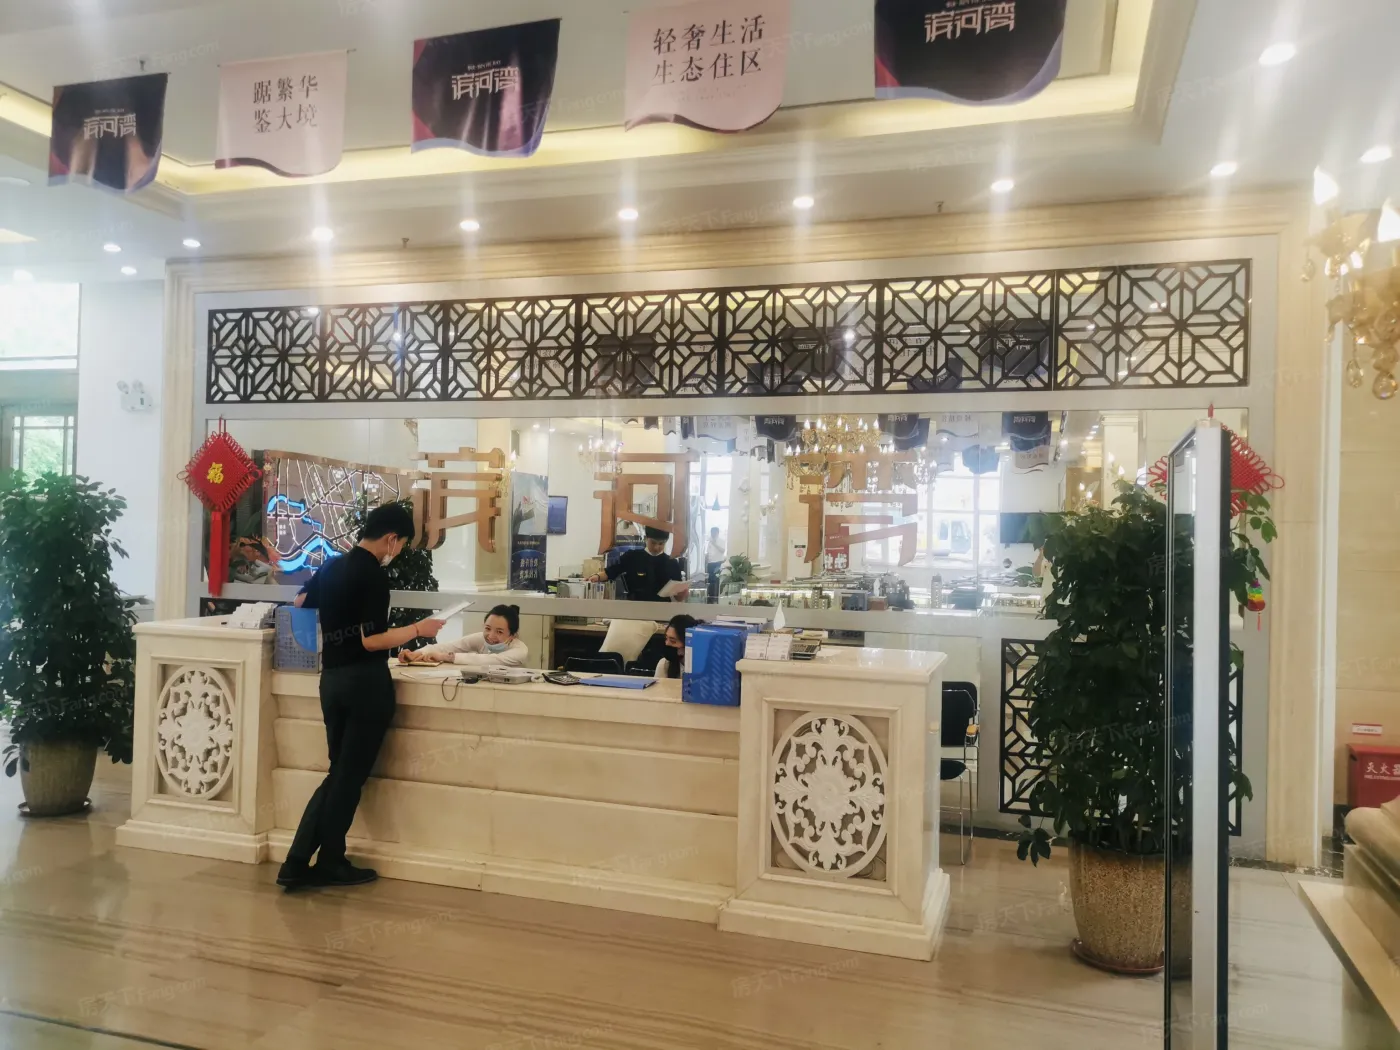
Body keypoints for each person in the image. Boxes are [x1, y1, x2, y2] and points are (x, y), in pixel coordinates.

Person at [276, 503, 447, 891]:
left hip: (332, 680)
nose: (398, 552)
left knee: (339, 773)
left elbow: (301, 603)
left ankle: (299, 862)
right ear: (391, 538)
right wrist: (418, 629)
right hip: (365, 686)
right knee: (347, 777)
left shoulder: (332, 565)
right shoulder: (372, 575)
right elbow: (371, 640)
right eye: (401, 545)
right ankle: (323, 861)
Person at [399, 604, 528, 667]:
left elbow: (489, 660)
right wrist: (417, 653)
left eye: (499, 632)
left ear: (512, 635)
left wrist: (443, 657)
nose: (491, 635)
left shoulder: (520, 650)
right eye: (488, 628)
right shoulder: (481, 638)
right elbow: (447, 647)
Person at [586, 526, 689, 603]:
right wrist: (596, 577)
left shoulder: (672, 563)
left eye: (661, 544)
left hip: (662, 611)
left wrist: (683, 593)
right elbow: (610, 572)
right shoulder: (632, 556)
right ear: (646, 538)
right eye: (653, 543)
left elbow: (678, 597)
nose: (656, 547)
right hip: (635, 609)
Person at [654, 614, 700, 680]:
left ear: (688, 642)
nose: (667, 643)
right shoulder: (665, 664)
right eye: (666, 638)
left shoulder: (701, 667)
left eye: (673, 641)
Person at [705, 527, 725, 600]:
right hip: (710, 563)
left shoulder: (721, 541)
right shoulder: (709, 541)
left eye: (714, 532)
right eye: (711, 532)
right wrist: (706, 560)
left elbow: (722, 550)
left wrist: (714, 544)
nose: (712, 534)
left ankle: (716, 597)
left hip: (718, 563)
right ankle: (710, 597)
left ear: (717, 533)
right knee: (710, 580)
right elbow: (708, 552)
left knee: (716, 579)